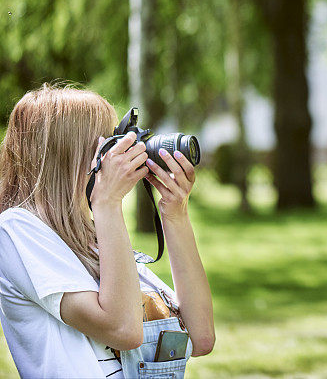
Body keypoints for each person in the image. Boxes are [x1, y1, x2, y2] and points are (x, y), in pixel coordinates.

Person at [0, 85, 214, 378]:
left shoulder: (94, 239)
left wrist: (175, 215)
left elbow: (200, 336)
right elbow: (123, 329)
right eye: (108, 142)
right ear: (69, 155)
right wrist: (108, 203)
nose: (119, 151)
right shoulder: (16, 230)